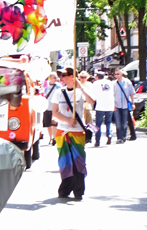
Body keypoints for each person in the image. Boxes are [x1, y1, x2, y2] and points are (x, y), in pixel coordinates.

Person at [50, 68, 93, 200]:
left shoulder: (80, 92)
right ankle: (65, 189)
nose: (61, 78)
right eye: (60, 75)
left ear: (72, 77)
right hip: (62, 132)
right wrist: (67, 119)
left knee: (78, 162)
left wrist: (80, 87)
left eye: (64, 75)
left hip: (78, 131)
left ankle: (78, 190)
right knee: (65, 161)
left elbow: (91, 101)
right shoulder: (58, 92)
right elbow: (55, 112)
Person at [86, 72, 115, 147]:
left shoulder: (96, 83)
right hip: (110, 105)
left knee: (98, 124)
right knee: (108, 122)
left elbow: (92, 94)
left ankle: (97, 141)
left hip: (100, 105)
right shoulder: (110, 82)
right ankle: (109, 135)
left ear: (97, 77)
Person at [112, 68, 136, 143]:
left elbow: (132, 93)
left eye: (118, 74)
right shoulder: (113, 83)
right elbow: (111, 95)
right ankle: (119, 138)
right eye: (115, 74)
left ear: (121, 74)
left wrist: (133, 103)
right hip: (117, 105)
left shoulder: (127, 82)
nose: (116, 75)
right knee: (118, 122)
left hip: (125, 105)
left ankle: (124, 136)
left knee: (124, 122)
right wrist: (113, 105)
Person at [42, 73, 58, 145]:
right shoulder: (45, 86)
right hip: (46, 107)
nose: (56, 79)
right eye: (54, 77)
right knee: (48, 124)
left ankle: (54, 138)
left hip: (55, 108)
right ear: (50, 78)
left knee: (54, 123)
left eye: (56, 77)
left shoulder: (58, 86)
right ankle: (50, 137)